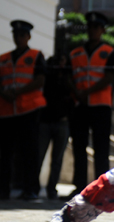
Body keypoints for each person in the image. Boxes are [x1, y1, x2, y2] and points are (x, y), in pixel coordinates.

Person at [0, 20, 47, 201]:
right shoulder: (4, 58)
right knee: (4, 153)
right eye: (16, 35)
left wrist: (18, 92)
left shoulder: (36, 55)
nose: (19, 38)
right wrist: (3, 92)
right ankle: (2, 190)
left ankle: (30, 189)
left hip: (28, 110)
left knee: (29, 152)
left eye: (22, 35)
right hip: (6, 110)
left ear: (28, 36)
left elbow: (40, 80)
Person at [66, 11, 114, 198]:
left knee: (101, 149)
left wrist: (87, 91)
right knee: (79, 147)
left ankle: (101, 189)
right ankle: (79, 186)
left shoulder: (109, 52)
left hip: (101, 106)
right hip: (80, 106)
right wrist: (77, 92)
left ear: (102, 30)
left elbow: (109, 77)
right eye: (90, 27)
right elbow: (69, 76)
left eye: (97, 27)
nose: (93, 30)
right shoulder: (75, 53)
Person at [38, 54, 73, 200]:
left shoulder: (69, 76)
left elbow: (72, 93)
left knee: (57, 159)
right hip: (46, 120)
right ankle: (33, 187)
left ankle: (51, 189)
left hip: (62, 121)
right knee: (39, 156)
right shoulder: (48, 76)